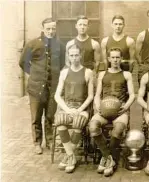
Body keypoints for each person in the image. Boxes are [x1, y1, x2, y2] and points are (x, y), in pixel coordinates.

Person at [19, 18, 65, 154]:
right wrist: (34, 74)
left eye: (53, 29)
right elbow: (23, 63)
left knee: (50, 115)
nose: (51, 31)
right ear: (43, 28)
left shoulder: (60, 46)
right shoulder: (33, 44)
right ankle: (37, 143)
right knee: (36, 117)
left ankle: (50, 141)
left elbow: (62, 64)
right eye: (48, 29)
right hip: (36, 88)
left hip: (53, 88)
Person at [89, 47, 135, 177]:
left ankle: (108, 159)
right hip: (104, 109)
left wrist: (125, 107)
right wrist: (97, 105)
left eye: (117, 57)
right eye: (113, 57)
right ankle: (108, 157)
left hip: (120, 111)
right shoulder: (102, 74)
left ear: (121, 59)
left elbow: (132, 95)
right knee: (93, 127)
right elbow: (97, 94)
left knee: (119, 129)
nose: (115, 60)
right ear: (108, 59)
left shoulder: (127, 74)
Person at [54, 44, 94, 173]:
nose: (74, 58)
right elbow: (57, 95)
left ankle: (68, 156)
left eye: (76, 55)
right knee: (60, 122)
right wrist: (66, 109)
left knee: (78, 123)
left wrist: (80, 109)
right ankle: (71, 156)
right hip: (67, 107)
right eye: (71, 55)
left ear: (80, 56)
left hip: (82, 108)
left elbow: (91, 96)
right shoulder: (64, 72)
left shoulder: (88, 72)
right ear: (68, 57)